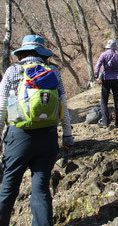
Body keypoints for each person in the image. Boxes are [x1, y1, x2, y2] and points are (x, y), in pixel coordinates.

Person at [0, 34, 74, 226]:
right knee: (41, 189)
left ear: (23, 52)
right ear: (42, 53)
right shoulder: (54, 72)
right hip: (48, 137)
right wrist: (67, 135)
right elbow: (63, 107)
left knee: (8, 189)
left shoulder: (13, 71)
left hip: (18, 137)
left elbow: (1, 109)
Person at [94, 39, 118, 129]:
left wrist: (96, 74)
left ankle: (105, 121)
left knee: (104, 101)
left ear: (107, 47)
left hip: (106, 79)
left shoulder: (103, 55)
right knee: (117, 101)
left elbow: (98, 65)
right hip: (116, 79)